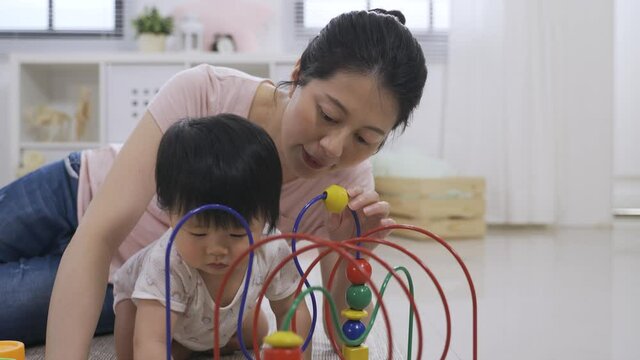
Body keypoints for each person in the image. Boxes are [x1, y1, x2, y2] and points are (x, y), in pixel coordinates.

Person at [0, 8, 429, 357]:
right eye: (328, 115)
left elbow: (340, 336)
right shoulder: (205, 91)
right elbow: (99, 233)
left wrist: (353, 252)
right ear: (298, 74)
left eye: (364, 139)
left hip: (133, 280)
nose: (333, 147)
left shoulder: (347, 190)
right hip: (76, 194)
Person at [112, 114, 311, 360]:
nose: (216, 249)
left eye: (237, 233)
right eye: (199, 232)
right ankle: (187, 345)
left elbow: (293, 309)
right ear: (170, 213)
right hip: (143, 306)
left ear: (266, 217)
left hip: (209, 318)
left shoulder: (271, 247)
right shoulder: (166, 263)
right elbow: (151, 342)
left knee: (259, 331)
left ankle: (199, 345)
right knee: (134, 351)